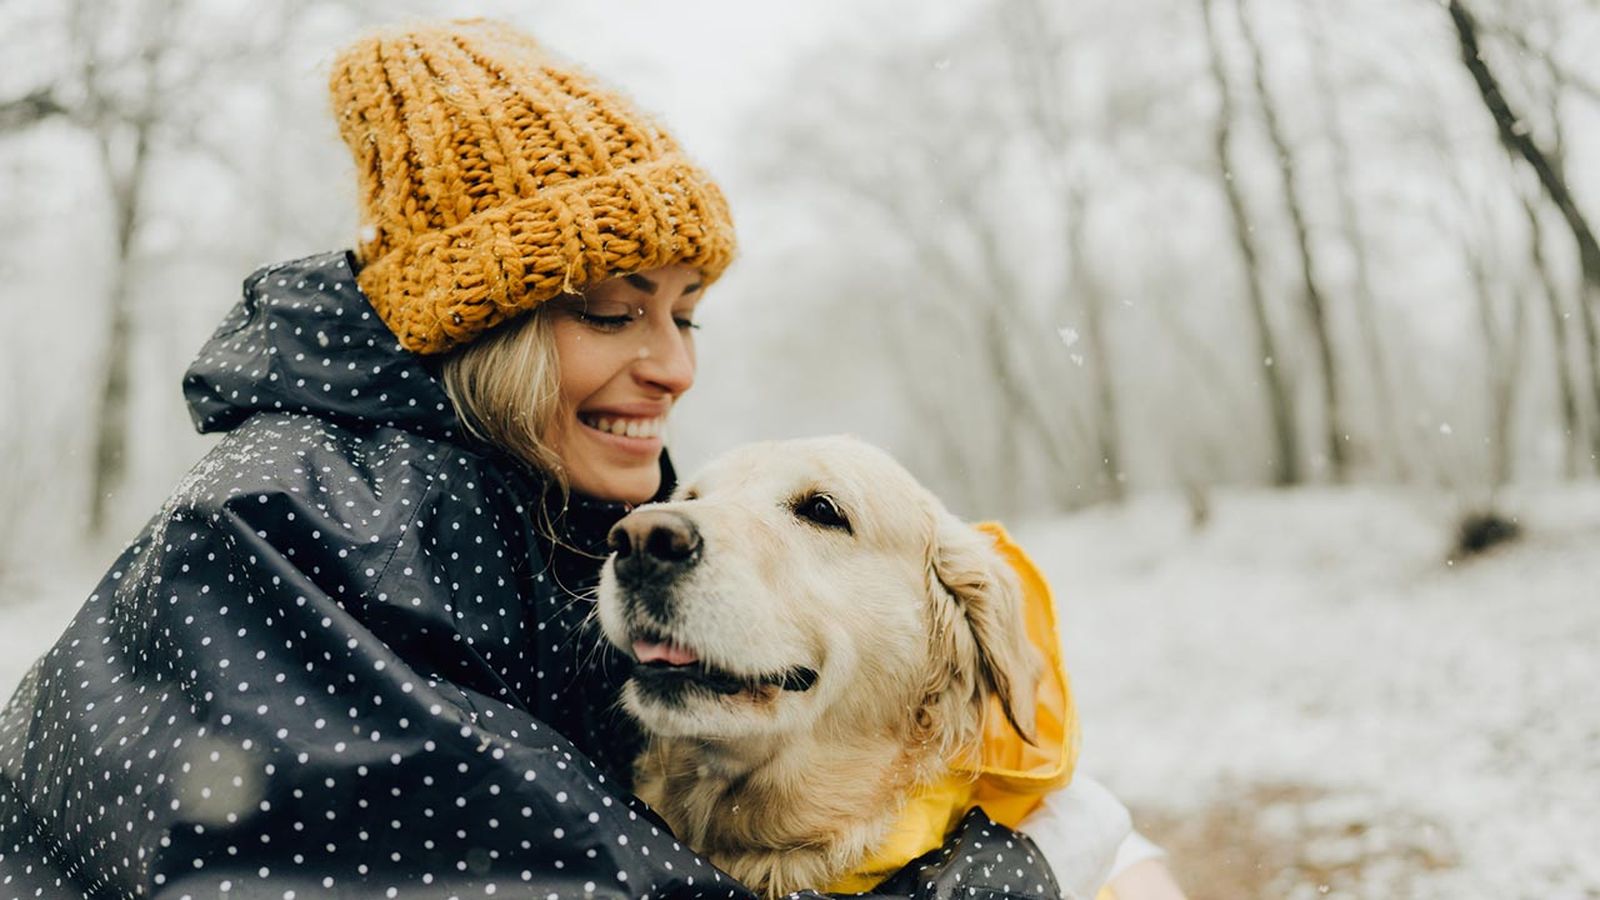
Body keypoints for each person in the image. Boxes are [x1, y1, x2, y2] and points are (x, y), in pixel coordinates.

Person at [0, 18, 1184, 900]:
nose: (673, 368)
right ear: (484, 328)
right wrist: (1020, 875)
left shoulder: (541, 498)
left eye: (686, 315)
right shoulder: (284, 529)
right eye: (613, 313)